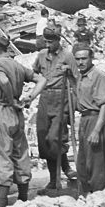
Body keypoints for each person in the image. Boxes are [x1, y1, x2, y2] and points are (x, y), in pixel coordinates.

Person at [0, 36, 35, 207]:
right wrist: (29, 98)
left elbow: (4, 81)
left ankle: (1, 203)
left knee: (0, 155)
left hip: (1, 109)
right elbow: (42, 80)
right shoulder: (17, 65)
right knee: (20, 153)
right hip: (17, 113)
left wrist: (9, 98)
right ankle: (23, 198)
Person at [31, 22, 78, 193]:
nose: (48, 45)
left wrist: (74, 105)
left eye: (51, 42)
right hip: (45, 97)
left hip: (61, 97)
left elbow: (76, 80)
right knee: (44, 140)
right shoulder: (42, 54)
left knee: (55, 138)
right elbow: (34, 73)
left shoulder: (68, 56)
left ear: (58, 40)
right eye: (46, 41)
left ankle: (60, 174)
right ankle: (55, 178)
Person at [73, 47, 105, 194]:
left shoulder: (99, 76)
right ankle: (87, 198)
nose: (80, 62)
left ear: (91, 58)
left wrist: (97, 130)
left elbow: (104, 105)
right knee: (83, 164)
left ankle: (99, 197)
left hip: (96, 120)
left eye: (84, 58)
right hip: (84, 120)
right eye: (77, 59)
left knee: (97, 165)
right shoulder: (81, 76)